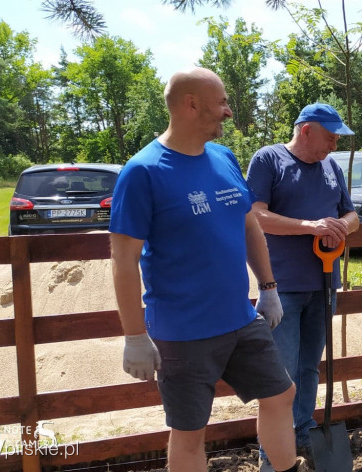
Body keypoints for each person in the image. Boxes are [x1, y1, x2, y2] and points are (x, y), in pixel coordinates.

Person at [109, 67, 304, 472]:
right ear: (191, 104)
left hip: (239, 318)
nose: (228, 112)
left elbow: (248, 222)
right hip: (183, 332)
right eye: (221, 103)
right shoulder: (143, 171)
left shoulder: (223, 157)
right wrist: (134, 335)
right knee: (190, 430)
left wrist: (268, 288)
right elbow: (124, 260)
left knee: (282, 394)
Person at [244, 103, 360, 467]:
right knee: (280, 373)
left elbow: (352, 214)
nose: (334, 145)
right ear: (306, 130)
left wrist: (341, 227)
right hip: (282, 287)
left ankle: (304, 435)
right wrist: (311, 227)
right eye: (330, 137)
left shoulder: (331, 167)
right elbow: (256, 216)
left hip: (324, 284)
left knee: (310, 365)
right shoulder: (269, 160)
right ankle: (271, 457)